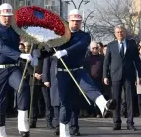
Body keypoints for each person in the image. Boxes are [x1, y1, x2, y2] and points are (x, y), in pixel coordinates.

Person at [42, 9, 116, 137]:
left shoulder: (85, 35)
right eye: (74, 21)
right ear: (69, 20)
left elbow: (81, 45)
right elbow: (47, 51)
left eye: (78, 21)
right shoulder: (60, 35)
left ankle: (104, 105)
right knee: (64, 102)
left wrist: (65, 52)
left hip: (78, 70)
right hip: (62, 72)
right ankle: (64, 132)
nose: (76, 23)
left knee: (89, 86)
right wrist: (43, 47)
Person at [0, 3, 36, 137]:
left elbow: (28, 35)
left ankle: (23, 123)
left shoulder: (15, 31)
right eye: (4, 16)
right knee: (0, 103)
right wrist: (20, 55)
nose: (7, 19)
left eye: (9, 16)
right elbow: (2, 47)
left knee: (23, 87)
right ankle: (1, 132)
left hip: (13, 68)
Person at [103, 25, 141, 131]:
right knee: (116, 100)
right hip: (115, 75)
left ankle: (130, 123)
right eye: (117, 32)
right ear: (115, 34)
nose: (120, 34)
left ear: (125, 32)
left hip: (129, 76)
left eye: (121, 32)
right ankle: (116, 122)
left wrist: (140, 75)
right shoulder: (111, 45)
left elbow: (137, 61)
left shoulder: (132, 44)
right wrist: (105, 76)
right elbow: (106, 62)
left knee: (129, 99)